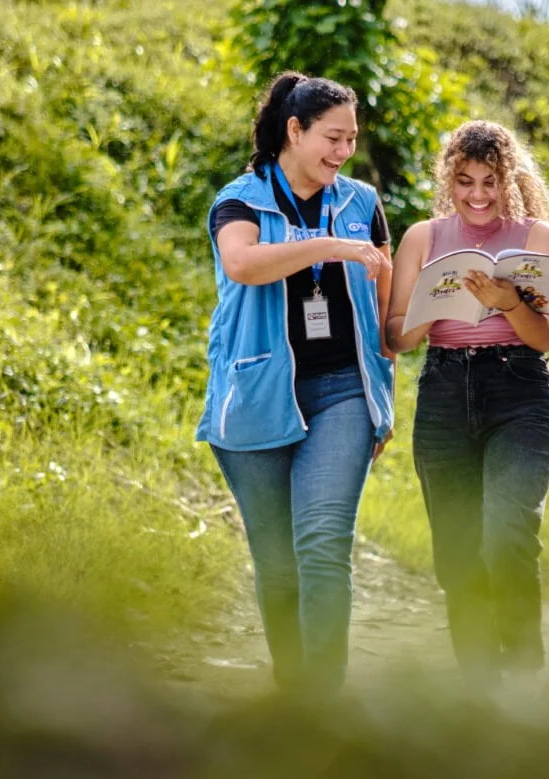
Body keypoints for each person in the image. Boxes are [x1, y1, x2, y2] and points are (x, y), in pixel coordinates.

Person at [197, 71, 396, 696]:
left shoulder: (363, 202)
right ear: (294, 130)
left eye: (351, 140)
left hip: (342, 393)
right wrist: (326, 247)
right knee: (278, 563)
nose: (343, 152)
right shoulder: (241, 198)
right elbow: (242, 263)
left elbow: (384, 299)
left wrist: (383, 389)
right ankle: (293, 694)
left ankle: (323, 702)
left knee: (322, 543)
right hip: (256, 396)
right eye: (331, 138)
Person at [386, 120, 549, 692]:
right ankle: (478, 684)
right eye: (465, 181)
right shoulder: (422, 238)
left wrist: (508, 302)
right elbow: (396, 338)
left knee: (507, 529)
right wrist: (430, 304)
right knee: (457, 548)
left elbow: (544, 338)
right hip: (444, 389)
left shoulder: (538, 238)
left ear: (509, 178)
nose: (479, 195)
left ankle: (522, 665)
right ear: (449, 178)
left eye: (491, 181)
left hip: (519, 390)